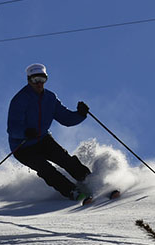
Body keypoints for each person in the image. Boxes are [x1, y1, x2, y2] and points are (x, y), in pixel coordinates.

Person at [7, 63, 93, 202]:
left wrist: (81, 114)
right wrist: (25, 132)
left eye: (42, 80)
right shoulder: (20, 99)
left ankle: (92, 182)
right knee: (46, 169)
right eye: (35, 80)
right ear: (29, 80)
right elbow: (12, 128)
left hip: (43, 139)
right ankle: (72, 191)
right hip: (22, 147)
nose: (39, 84)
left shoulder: (50, 98)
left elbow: (65, 118)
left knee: (66, 160)